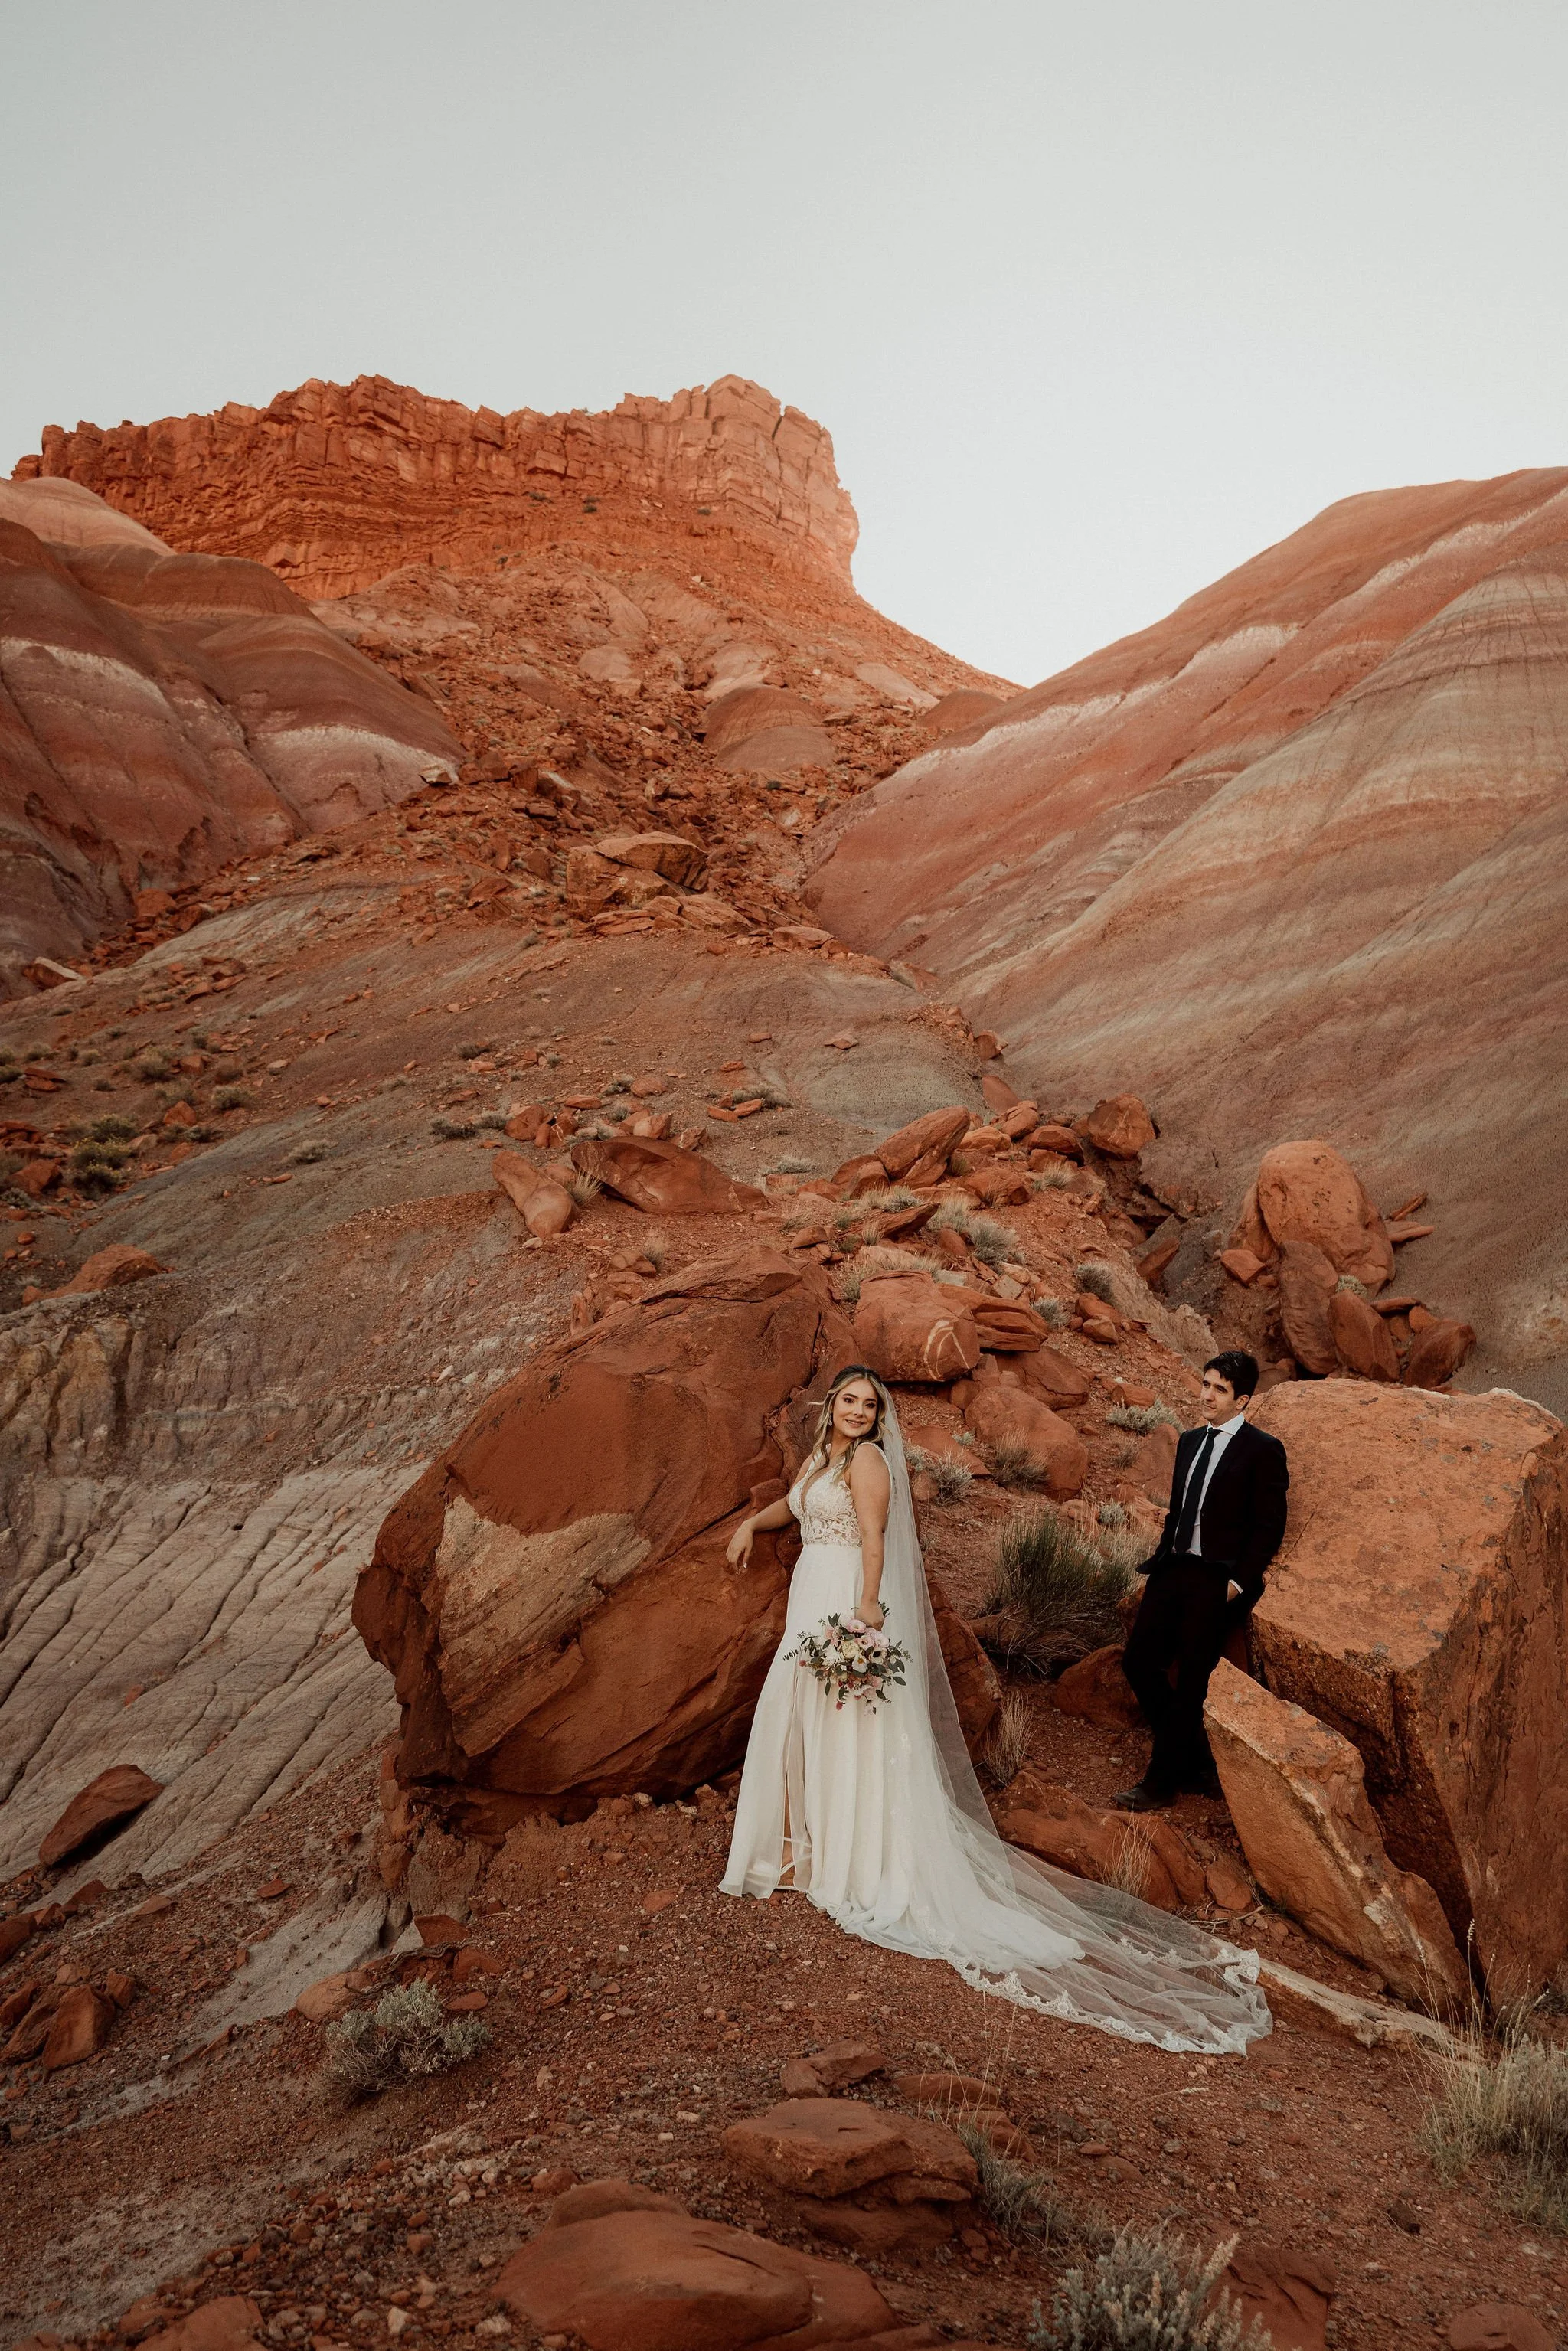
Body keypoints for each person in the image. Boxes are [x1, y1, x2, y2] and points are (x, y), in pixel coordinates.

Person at [720, 1363, 1271, 2055]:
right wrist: (751, 1521)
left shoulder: (866, 1462)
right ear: (832, 1405)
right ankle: (823, 1845)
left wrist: (866, 1607)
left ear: (877, 1415)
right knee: (817, 1716)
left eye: (869, 1403)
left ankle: (857, 1860)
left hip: (842, 1598)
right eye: (849, 1400)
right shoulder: (824, 1454)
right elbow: (799, 1503)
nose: (859, 1411)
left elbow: (875, 1539)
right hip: (811, 1595)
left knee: (855, 1724)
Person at [1112, 1350, 1289, 1814]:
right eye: (1205, 1384)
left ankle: (1161, 1783)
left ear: (1243, 1399)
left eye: (1220, 1390)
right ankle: (1193, 1760)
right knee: (1138, 1663)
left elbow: (1269, 1526)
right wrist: (1164, 1555)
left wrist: (1236, 1583)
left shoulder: (1262, 1450)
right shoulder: (1190, 1441)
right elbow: (1179, 1508)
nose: (1207, 1395)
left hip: (1217, 1579)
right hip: (1174, 1568)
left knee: (1192, 1680)